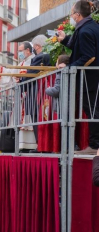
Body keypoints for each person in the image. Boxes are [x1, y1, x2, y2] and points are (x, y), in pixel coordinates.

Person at [58, 1, 99, 154]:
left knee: (93, 111)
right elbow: (81, 46)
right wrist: (65, 40)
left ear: (78, 14)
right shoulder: (91, 27)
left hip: (90, 80)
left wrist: (68, 67)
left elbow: (88, 57)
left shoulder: (84, 31)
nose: (72, 17)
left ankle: (95, 146)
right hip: (93, 79)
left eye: (72, 14)